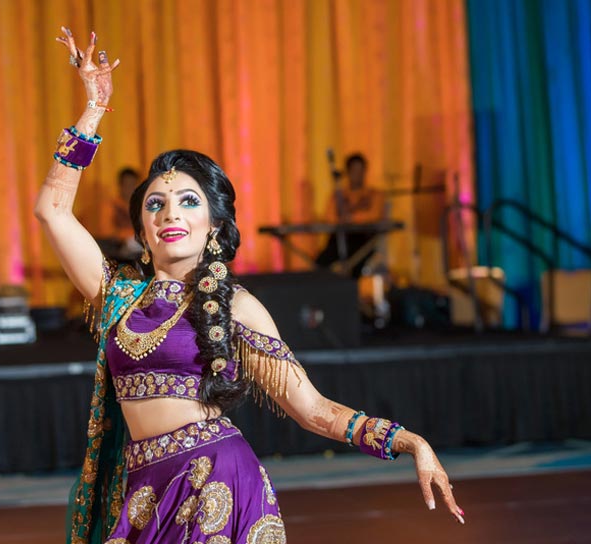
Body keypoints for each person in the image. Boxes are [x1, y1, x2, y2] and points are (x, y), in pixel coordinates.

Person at [35, 27, 464, 544]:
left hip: (216, 486)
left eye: (189, 201)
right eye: (156, 203)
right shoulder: (118, 297)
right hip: (142, 496)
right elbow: (52, 210)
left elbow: (312, 409)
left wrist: (407, 441)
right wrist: (95, 109)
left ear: (214, 226)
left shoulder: (236, 305)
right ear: (142, 231)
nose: (170, 212)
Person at [315, 153, 387, 277]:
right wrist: (341, 220)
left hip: (362, 241)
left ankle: (352, 291)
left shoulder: (374, 194)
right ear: (348, 172)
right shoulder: (339, 195)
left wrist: (351, 218)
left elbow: (374, 215)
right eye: (354, 170)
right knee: (320, 264)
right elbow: (329, 216)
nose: (358, 174)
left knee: (356, 267)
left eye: (361, 170)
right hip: (338, 240)